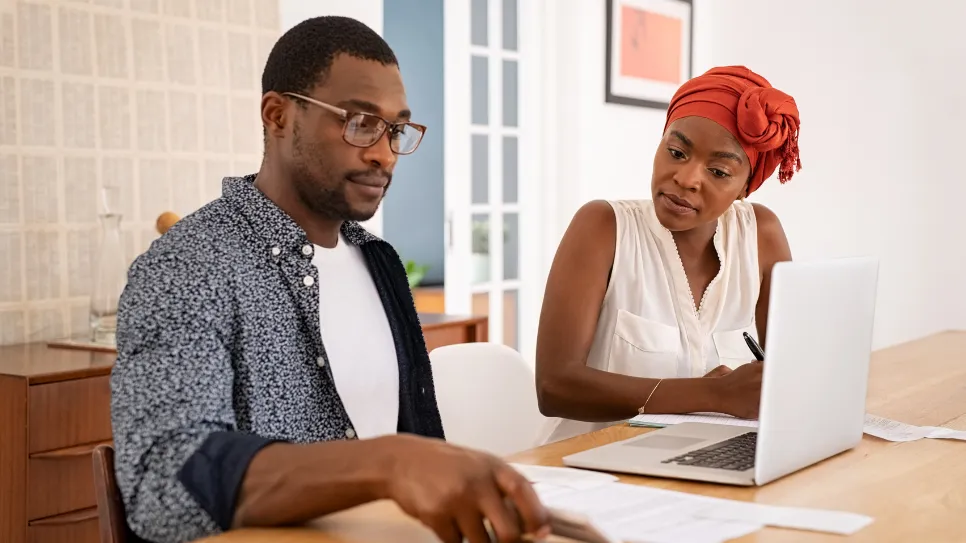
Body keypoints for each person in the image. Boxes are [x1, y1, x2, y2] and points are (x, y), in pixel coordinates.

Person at [110, 16, 548, 543]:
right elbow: (166, 486)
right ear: (277, 115)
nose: (383, 153)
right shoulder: (189, 266)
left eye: (395, 130)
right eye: (359, 121)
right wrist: (386, 462)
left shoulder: (378, 261)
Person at [534, 66, 801, 444]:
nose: (687, 178)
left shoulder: (761, 236)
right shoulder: (602, 227)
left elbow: (788, 376)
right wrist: (713, 396)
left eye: (719, 171)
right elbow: (554, 386)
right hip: (591, 467)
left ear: (745, 187)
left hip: (708, 461)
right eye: (676, 152)